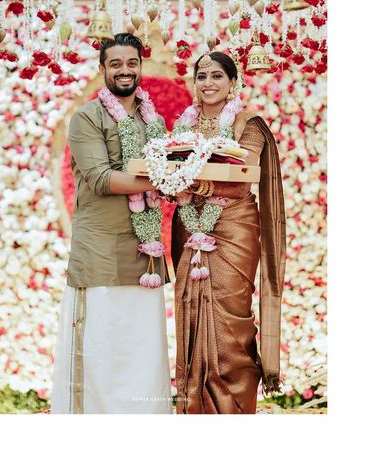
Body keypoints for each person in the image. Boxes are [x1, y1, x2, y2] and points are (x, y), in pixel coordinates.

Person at [51, 33, 172, 414]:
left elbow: (167, 168)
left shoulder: (154, 121)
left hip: (144, 253)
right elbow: (102, 179)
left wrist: (177, 177)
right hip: (100, 250)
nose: (124, 70)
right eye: (115, 64)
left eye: (131, 63)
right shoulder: (87, 117)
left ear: (140, 66)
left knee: (142, 344)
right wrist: (167, 179)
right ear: (103, 69)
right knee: (102, 346)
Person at [171, 51, 286, 414]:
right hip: (189, 224)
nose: (208, 83)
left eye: (217, 76)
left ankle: (235, 410)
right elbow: (165, 170)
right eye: (201, 76)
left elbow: (240, 181)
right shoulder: (182, 128)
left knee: (231, 318)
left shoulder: (247, 125)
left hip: (234, 227)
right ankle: (193, 408)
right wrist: (172, 183)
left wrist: (193, 184)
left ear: (232, 82)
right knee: (191, 311)